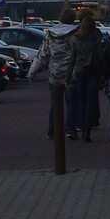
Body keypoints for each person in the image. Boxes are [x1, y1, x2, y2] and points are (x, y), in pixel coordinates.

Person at [27, 9, 78, 140]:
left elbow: (42, 55)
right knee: (71, 103)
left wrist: (31, 72)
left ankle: (52, 130)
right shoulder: (76, 34)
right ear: (73, 19)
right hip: (71, 74)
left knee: (55, 103)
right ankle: (70, 130)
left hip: (54, 74)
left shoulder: (50, 34)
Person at [66, 15, 104, 142]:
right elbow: (99, 57)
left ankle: (77, 127)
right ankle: (86, 132)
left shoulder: (75, 39)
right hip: (93, 72)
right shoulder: (96, 38)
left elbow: (71, 59)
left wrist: (68, 76)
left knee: (79, 102)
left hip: (78, 72)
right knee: (90, 103)